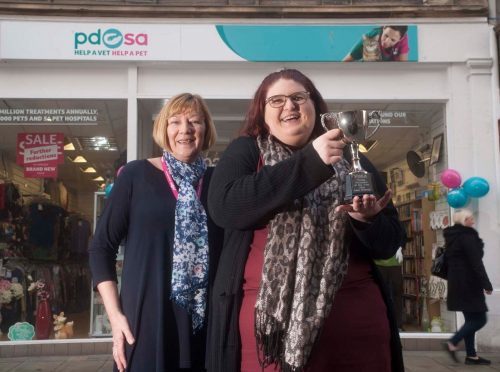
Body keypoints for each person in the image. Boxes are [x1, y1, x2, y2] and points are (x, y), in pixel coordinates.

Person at [206, 69, 405, 372]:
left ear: (316, 107)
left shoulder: (352, 155)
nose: (290, 106)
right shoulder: (246, 151)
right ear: (262, 112)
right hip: (269, 338)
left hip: (358, 332)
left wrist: (366, 221)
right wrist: (311, 161)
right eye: (277, 100)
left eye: (299, 97)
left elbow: (389, 243)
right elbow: (226, 208)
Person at [89, 93, 223, 372]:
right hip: (146, 321)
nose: (184, 129)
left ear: (206, 129)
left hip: (204, 325)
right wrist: (115, 318)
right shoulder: (135, 176)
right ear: (164, 129)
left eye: (194, 121)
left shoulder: (218, 182)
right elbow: (101, 248)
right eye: (175, 121)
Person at [443, 209, 492, 365]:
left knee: (471, 319)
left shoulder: (453, 237)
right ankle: (453, 342)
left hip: (457, 283)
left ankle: (471, 356)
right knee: (480, 319)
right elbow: (476, 262)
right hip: (469, 284)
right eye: (470, 219)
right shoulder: (467, 236)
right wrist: (486, 283)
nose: (473, 221)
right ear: (464, 221)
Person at [343, 25, 409, 62]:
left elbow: (403, 66)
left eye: (393, 40)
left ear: (400, 39)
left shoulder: (402, 39)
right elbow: (345, 61)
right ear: (384, 28)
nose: (386, 42)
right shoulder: (371, 37)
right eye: (386, 35)